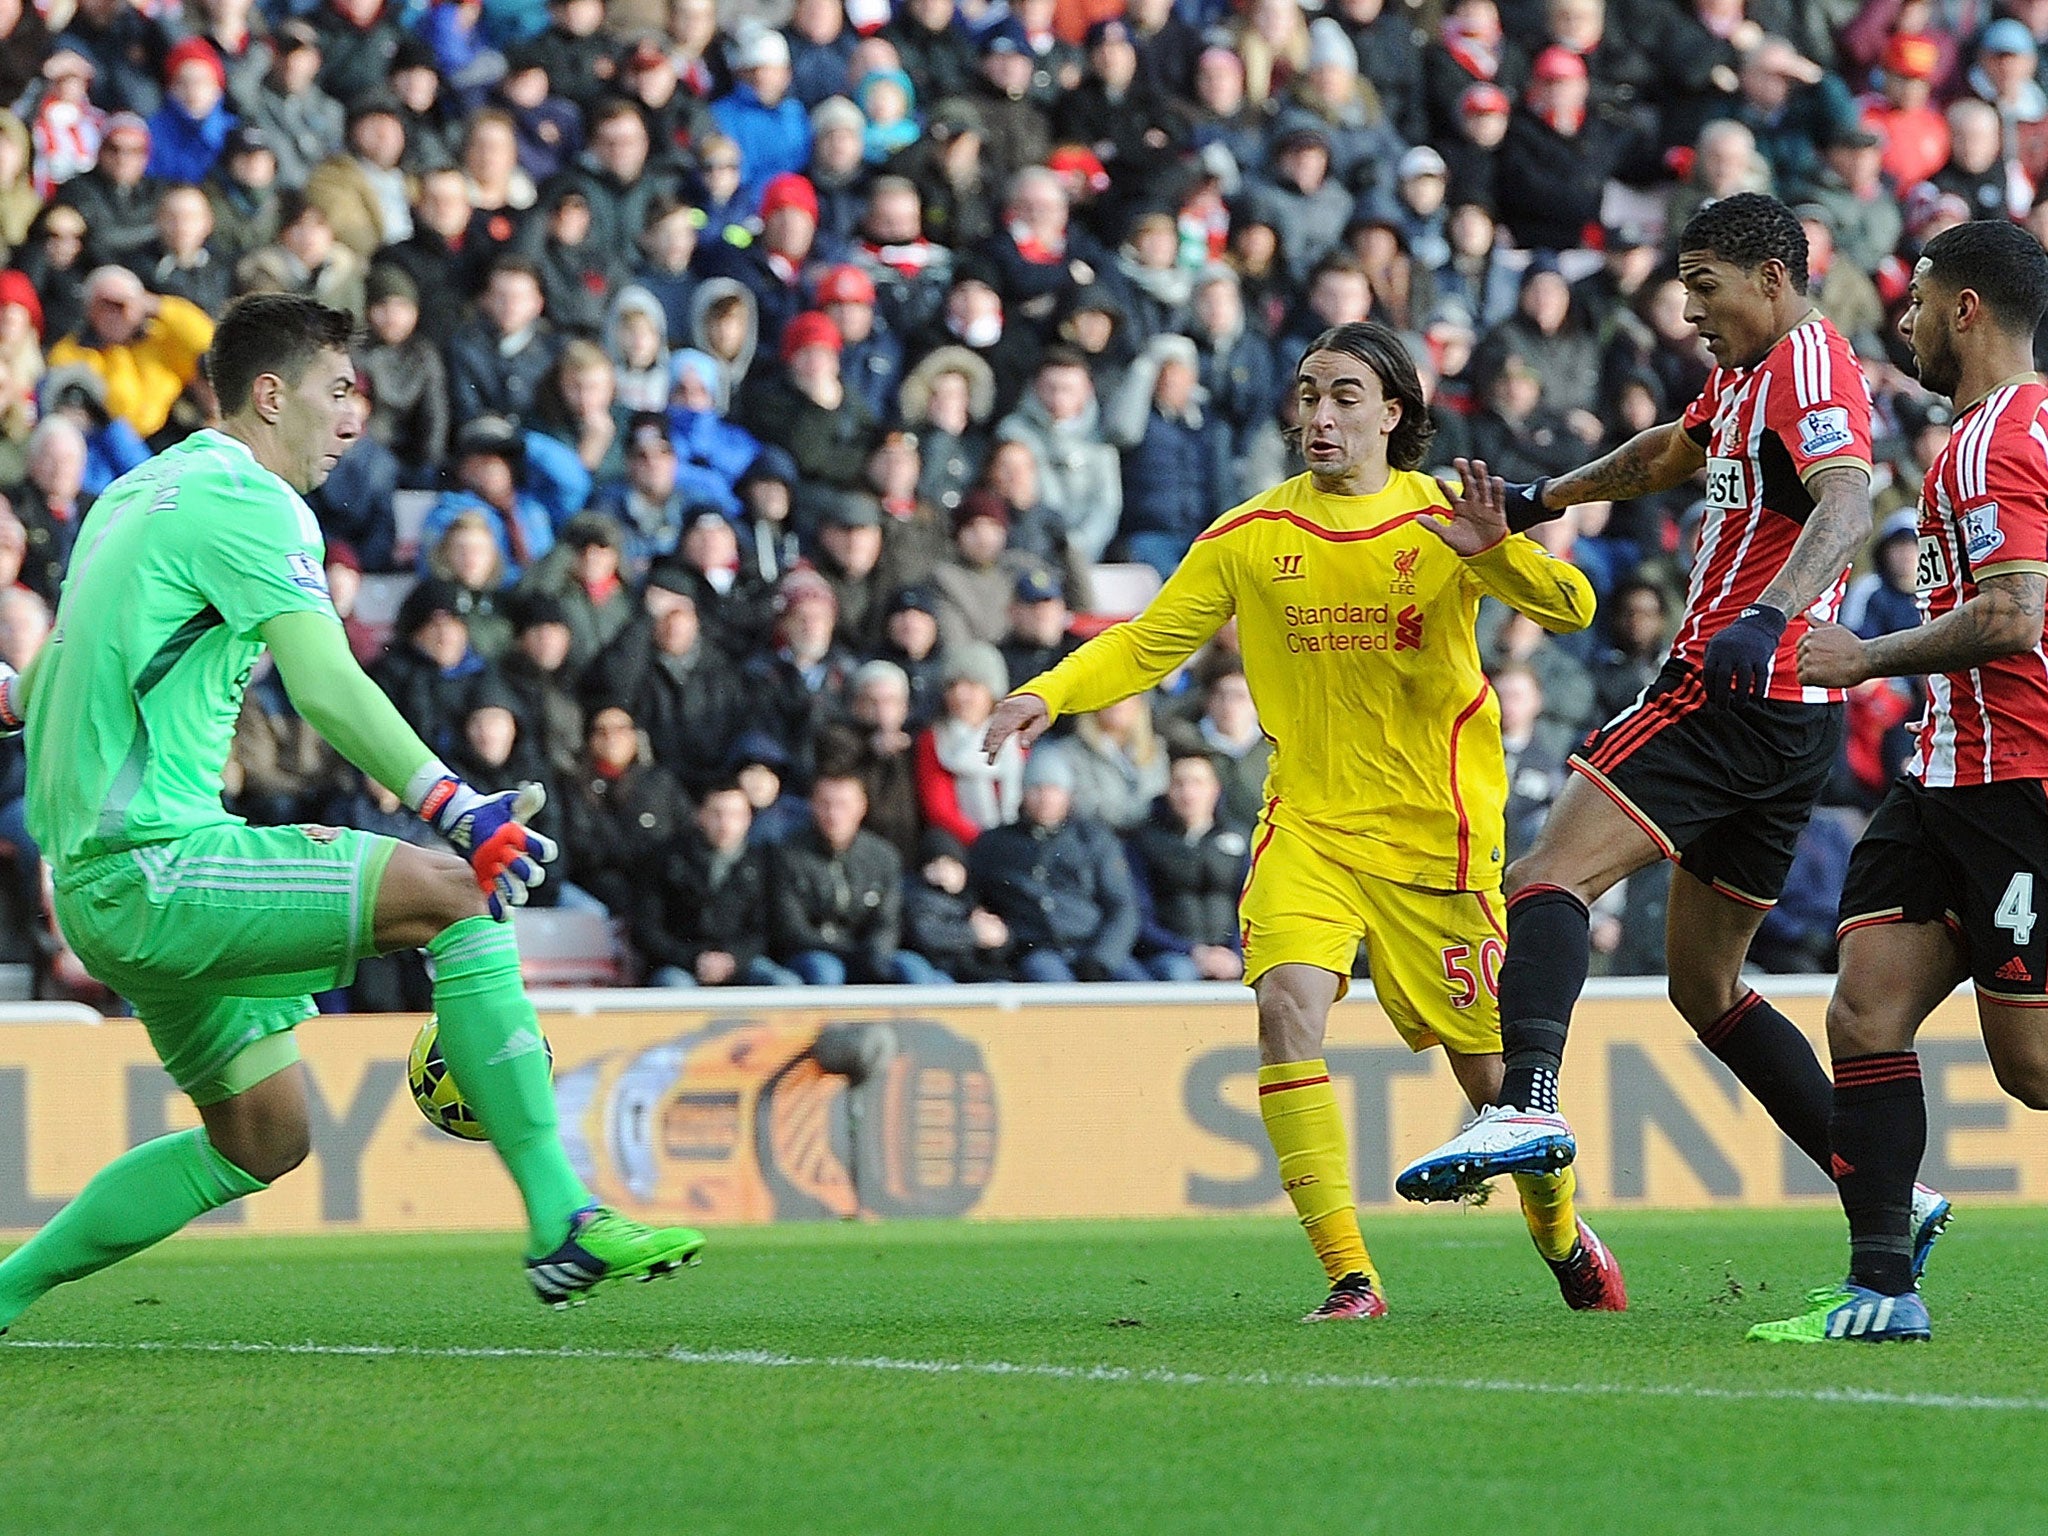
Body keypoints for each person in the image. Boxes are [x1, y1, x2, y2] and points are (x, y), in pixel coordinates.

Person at [0, 295, 703, 1334]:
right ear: (269, 393)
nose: (353, 419)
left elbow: (59, 673)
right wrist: (453, 802)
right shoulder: (251, 503)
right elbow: (325, 683)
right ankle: (562, 1217)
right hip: (158, 866)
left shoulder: (132, 495)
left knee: (263, 1139)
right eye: (337, 391)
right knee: (458, 894)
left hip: (111, 884)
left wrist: (15, 698)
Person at [983, 320, 1609, 1322]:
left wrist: (1502, 556)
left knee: (1494, 1083)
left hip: (1431, 839)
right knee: (1283, 1012)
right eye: (1308, 394)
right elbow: (1146, 644)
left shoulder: (1440, 519)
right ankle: (1350, 1278)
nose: (1318, 415)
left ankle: (1562, 1239)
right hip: (1306, 825)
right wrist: (1045, 695)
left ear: (1391, 414)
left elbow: (1572, 608)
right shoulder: (1248, 536)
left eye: (1343, 397)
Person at [1397, 194, 1952, 1276]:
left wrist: (1765, 613)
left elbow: (1848, 498)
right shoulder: (1746, 378)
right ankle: (1886, 1185)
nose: (1686, 306)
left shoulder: (1809, 370)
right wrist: (1534, 500)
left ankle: (1525, 1102)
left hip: (1727, 683)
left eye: (1704, 285)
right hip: (1789, 726)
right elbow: (1665, 453)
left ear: (1771, 279)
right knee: (1704, 986)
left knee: (1545, 876)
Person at [1749, 220, 2048, 1344]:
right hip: (1941, 774)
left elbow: (2014, 616)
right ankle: (1881, 1288)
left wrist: (1867, 655)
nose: (1904, 319)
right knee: (1864, 1008)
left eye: (1918, 300)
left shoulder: (1996, 443)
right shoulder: (1980, 435)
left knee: (2029, 1068)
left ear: (1966, 308)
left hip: (2017, 778)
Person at [770, 770, 942, 984]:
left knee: (914, 968)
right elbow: (792, 930)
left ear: (862, 806)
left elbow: (887, 922)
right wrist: (852, 952)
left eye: (843, 805)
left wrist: (874, 951)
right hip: (815, 953)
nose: (833, 814)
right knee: (825, 970)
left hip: (871, 953)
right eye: (825, 803)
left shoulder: (883, 856)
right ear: (812, 804)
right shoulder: (788, 854)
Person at [632, 780, 799, 988]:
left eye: (735, 815)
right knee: (673, 986)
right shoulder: (667, 859)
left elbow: (768, 929)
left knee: (784, 983)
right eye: (717, 814)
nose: (725, 823)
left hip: (742, 962)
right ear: (700, 815)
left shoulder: (764, 864)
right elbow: (646, 928)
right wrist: (693, 958)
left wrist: (734, 959)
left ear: (748, 819)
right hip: (681, 965)